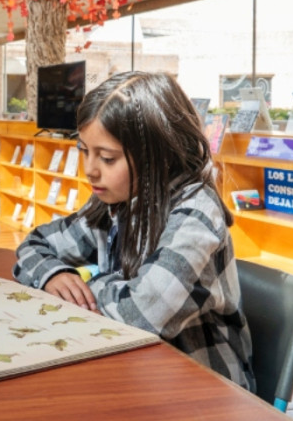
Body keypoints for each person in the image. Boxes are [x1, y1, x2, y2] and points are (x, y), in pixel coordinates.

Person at [13, 71, 255, 390]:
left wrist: (87, 288)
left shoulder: (195, 211)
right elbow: (34, 244)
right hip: (130, 368)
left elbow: (142, 312)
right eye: (84, 150)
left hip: (201, 390)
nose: (90, 170)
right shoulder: (115, 199)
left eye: (108, 158)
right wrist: (53, 275)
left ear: (156, 153)